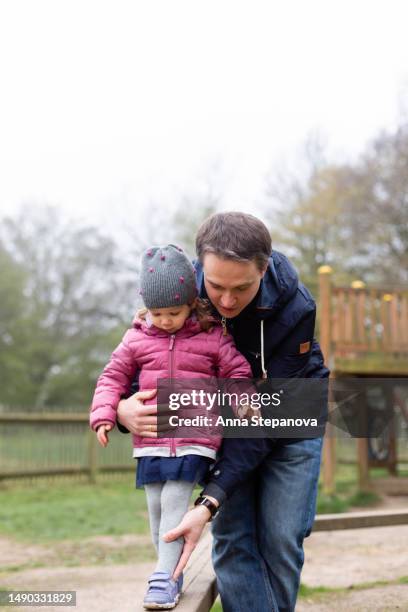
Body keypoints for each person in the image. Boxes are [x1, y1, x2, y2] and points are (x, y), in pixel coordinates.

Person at [116, 212, 330, 612]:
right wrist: (122, 408)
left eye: (241, 288)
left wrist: (210, 499)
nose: (227, 301)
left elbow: (265, 421)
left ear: (263, 271)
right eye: (215, 287)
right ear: (200, 270)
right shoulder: (178, 294)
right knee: (232, 535)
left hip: (289, 415)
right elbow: (151, 360)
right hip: (224, 418)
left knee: (281, 537)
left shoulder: (297, 308)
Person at [89, 243, 252, 610]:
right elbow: (112, 377)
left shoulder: (212, 337)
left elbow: (237, 371)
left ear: (191, 303)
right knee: (156, 510)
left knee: (174, 500)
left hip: (195, 437)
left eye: (174, 312)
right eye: (157, 313)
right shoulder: (135, 339)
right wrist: (105, 414)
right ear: (146, 307)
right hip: (151, 441)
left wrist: (243, 398)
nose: (165, 320)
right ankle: (170, 574)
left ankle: (162, 578)